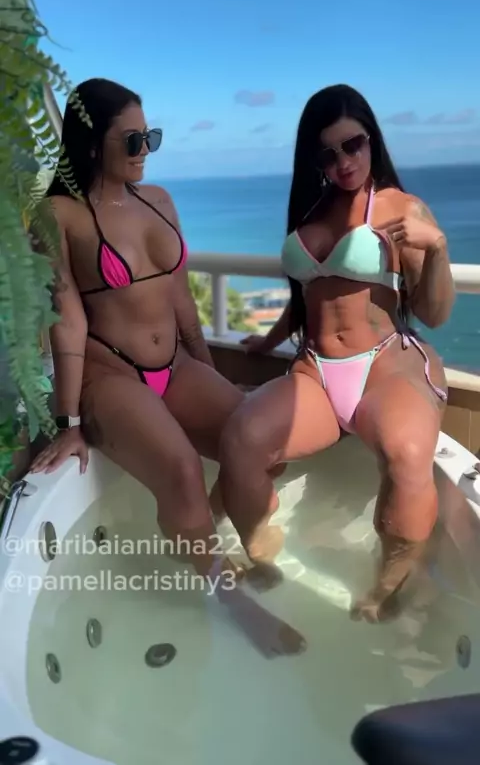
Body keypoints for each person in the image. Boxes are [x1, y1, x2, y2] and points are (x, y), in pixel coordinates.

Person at [30, 77, 305, 657]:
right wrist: (69, 422)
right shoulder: (59, 215)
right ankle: (230, 596)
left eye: (150, 137)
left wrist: (209, 371)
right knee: (181, 469)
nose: (146, 151)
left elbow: (181, 299)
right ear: (92, 144)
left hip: (175, 366)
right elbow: (67, 322)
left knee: (256, 441)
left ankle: (197, 537)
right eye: (133, 140)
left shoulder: (159, 200)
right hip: (110, 374)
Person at [217, 84, 455, 623]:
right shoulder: (312, 207)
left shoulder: (400, 208)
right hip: (313, 373)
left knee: (407, 454)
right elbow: (308, 293)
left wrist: (437, 247)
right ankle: (263, 552)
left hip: (381, 367)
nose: (343, 162)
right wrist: (269, 341)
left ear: (372, 140)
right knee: (241, 441)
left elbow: (435, 312)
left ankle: (390, 583)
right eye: (327, 154)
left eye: (353, 145)